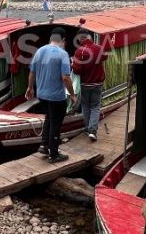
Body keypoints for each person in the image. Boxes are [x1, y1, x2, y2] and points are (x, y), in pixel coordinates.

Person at [27, 28, 78, 163]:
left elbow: (32, 72)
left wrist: (30, 87)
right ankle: (54, 155)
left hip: (42, 95)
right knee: (56, 124)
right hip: (56, 97)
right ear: (63, 40)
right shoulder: (63, 54)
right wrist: (72, 95)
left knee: (49, 118)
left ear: (50, 39)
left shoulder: (39, 51)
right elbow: (66, 78)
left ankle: (44, 145)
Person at [71, 31, 110, 141]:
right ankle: (93, 131)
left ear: (79, 39)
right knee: (95, 106)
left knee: (85, 107)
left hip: (84, 84)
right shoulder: (99, 48)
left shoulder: (79, 51)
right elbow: (105, 57)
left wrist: (72, 63)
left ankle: (88, 129)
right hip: (97, 83)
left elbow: (77, 70)